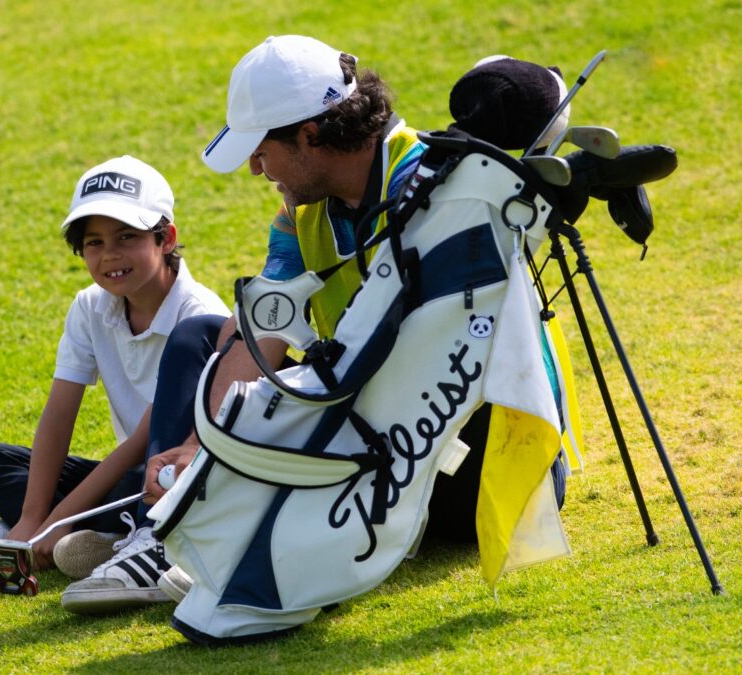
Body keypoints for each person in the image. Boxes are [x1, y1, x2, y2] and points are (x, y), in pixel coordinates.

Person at [143, 36, 567, 535]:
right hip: (373, 428)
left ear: (309, 135)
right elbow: (265, 323)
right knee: (202, 337)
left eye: (261, 152)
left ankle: (197, 519)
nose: (256, 169)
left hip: (470, 456)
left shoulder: (441, 186)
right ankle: (166, 515)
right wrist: (201, 443)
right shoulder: (299, 216)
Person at [0, 155, 230, 610]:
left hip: (182, 473)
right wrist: (35, 517)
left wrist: (56, 519)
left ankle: (115, 538)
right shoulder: (91, 307)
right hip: (129, 479)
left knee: (142, 483)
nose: (110, 255)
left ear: (165, 238)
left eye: (127, 237)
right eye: (94, 242)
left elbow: (147, 438)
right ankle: (99, 537)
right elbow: (59, 412)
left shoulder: (200, 315)